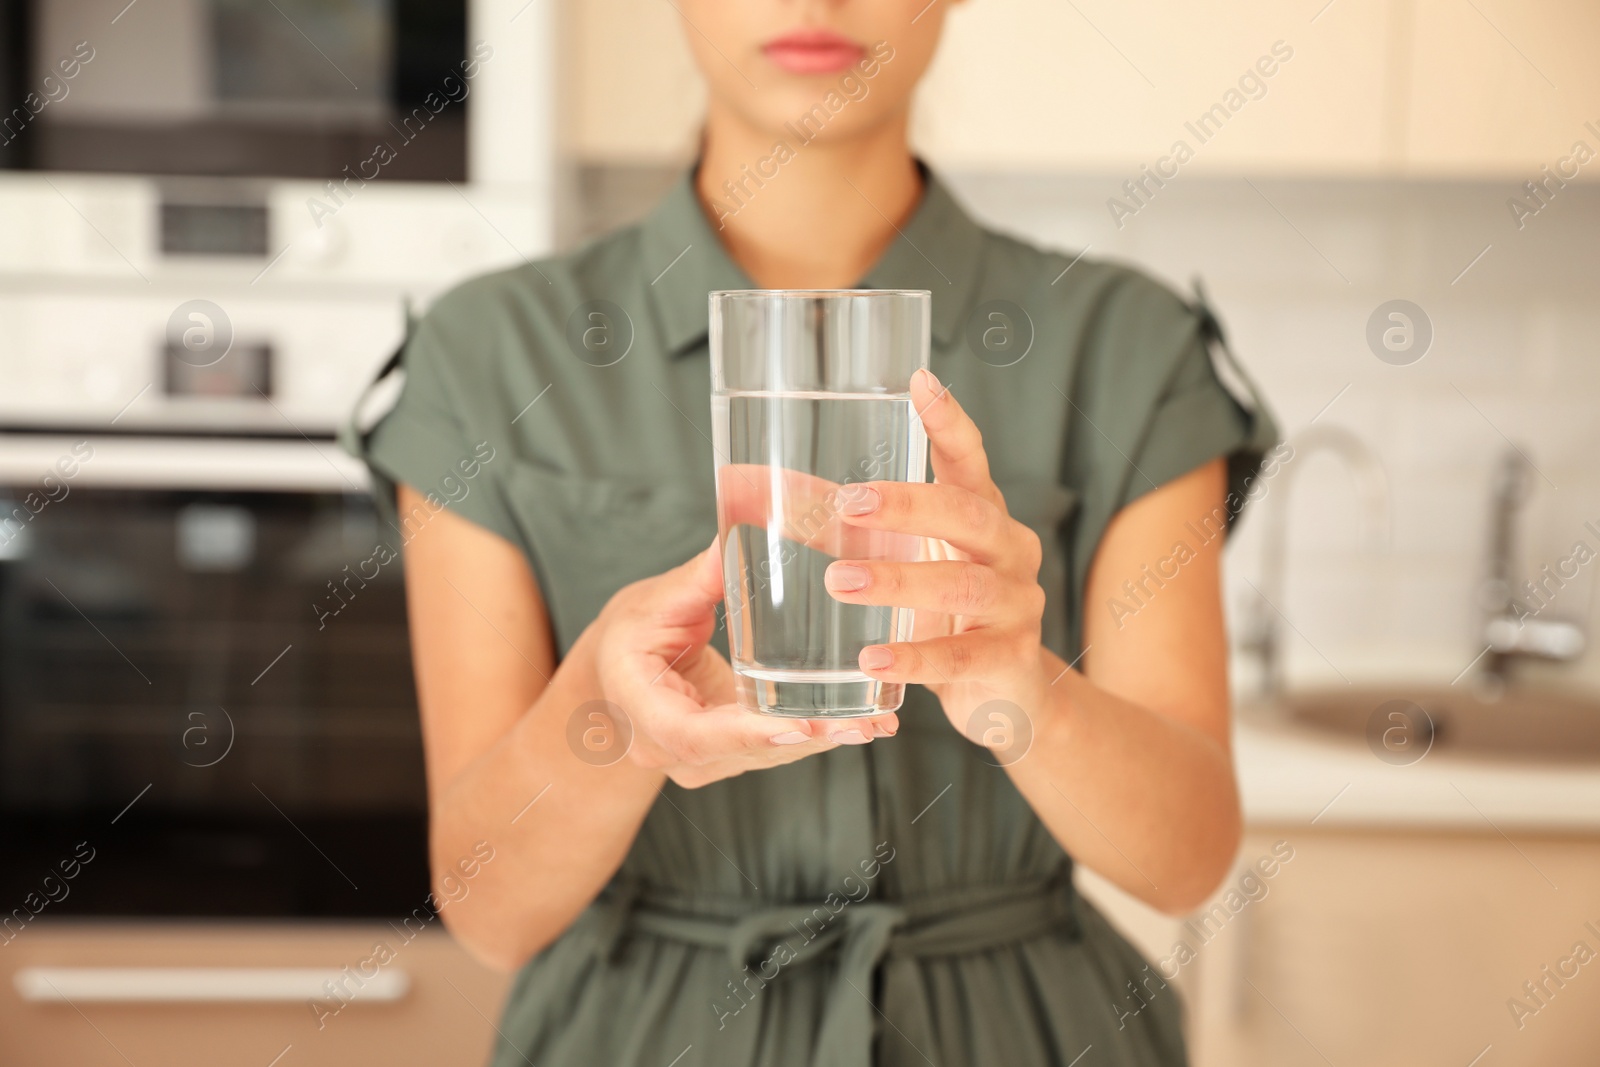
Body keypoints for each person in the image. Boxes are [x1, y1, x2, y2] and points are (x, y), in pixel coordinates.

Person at [346, 2, 1276, 1064]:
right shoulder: (489, 356)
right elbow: (488, 910)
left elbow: (1189, 856)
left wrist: (1027, 690)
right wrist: (609, 716)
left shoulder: (1126, 346)